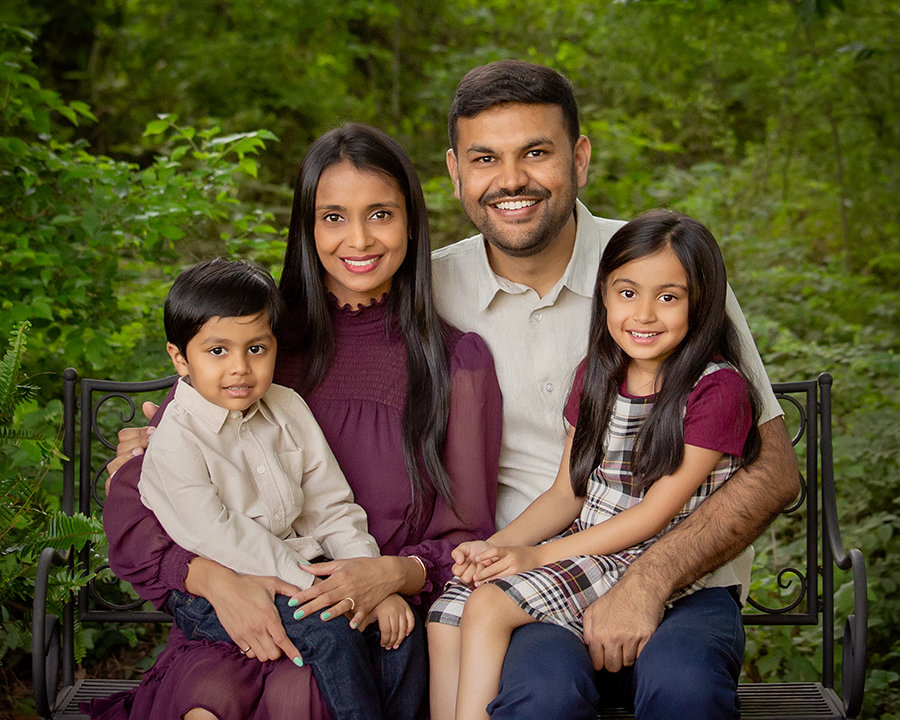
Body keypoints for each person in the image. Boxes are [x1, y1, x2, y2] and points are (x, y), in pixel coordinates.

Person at [90, 123, 501, 720]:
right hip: (240, 605)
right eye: (333, 216)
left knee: (301, 690)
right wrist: (210, 579)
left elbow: (464, 540)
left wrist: (390, 575)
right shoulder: (255, 344)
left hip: (375, 620)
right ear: (306, 227)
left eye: (380, 214)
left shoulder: (454, 364)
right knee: (214, 701)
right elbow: (142, 501)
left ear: (411, 221)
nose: (357, 239)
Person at [427, 60, 799, 719]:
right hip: (542, 586)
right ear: (456, 170)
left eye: (536, 152)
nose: (510, 179)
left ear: (580, 158)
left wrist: (648, 581)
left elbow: (772, 474)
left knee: (685, 690)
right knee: (538, 698)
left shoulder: (664, 266)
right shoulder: (428, 293)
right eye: (485, 158)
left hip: (686, 585)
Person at [428, 209, 762, 720]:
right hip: (592, 552)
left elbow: (653, 517)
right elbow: (568, 493)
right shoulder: (598, 375)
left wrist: (537, 558)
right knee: (450, 605)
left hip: (647, 557)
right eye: (627, 293)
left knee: (489, 606)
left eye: (668, 297)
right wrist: (496, 549)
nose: (644, 314)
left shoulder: (716, 389)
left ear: (703, 305)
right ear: (603, 295)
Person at [139, 257, 414, 720]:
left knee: (398, 625)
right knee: (333, 629)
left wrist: (367, 579)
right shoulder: (176, 438)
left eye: (257, 349)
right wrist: (315, 586)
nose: (240, 369)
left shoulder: (286, 407)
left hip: (299, 570)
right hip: (223, 589)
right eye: (218, 351)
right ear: (179, 357)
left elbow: (330, 504)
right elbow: (220, 536)